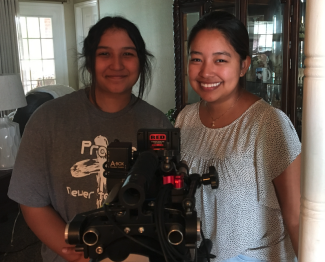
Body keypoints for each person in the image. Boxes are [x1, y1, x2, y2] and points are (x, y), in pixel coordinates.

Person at [8, 16, 172, 262]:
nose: (116, 65)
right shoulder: (48, 120)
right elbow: (31, 200)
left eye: (127, 54)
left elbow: (167, 202)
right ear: (89, 61)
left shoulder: (157, 124)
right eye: (104, 54)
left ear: (140, 61)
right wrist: (74, 252)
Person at [175, 11, 301, 262]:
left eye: (220, 60)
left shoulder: (268, 123)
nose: (206, 72)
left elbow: (296, 216)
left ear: (244, 64)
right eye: (197, 59)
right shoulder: (185, 119)